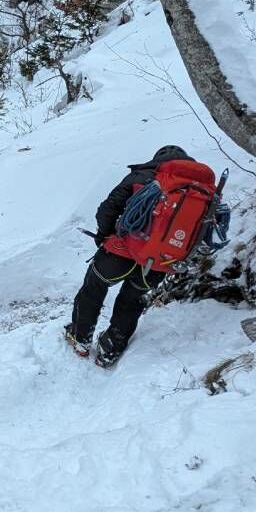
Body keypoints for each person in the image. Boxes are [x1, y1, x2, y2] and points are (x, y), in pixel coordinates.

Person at [65, 145, 225, 367]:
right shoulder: (205, 192)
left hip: (120, 253)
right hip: (160, 262)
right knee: (132, 301)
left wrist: (103, 236)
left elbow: (107, 209)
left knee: (94, 287)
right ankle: (110, 348)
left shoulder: (143, 176)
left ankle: (80, 337)